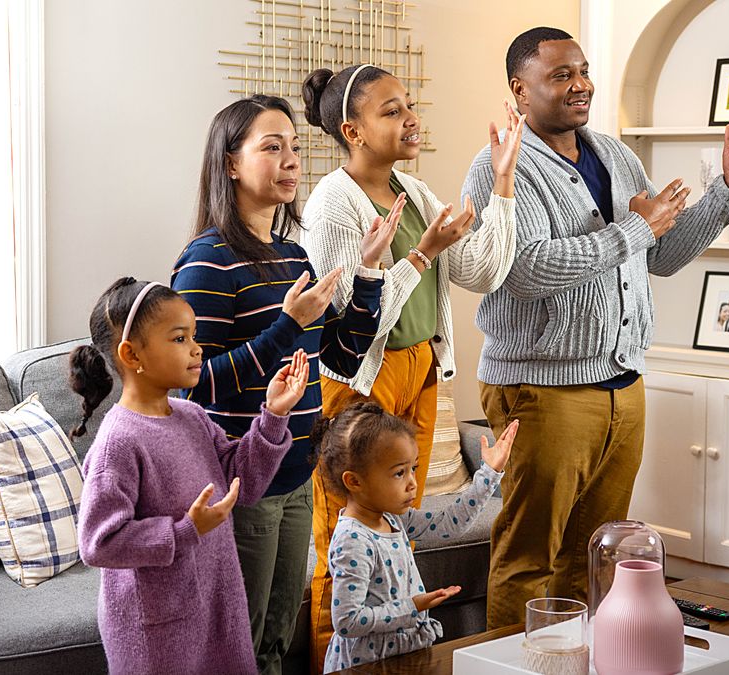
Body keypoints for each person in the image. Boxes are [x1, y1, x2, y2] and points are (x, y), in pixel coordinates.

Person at [463, 26, 729, 628]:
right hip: (543, 391)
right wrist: (636, 230)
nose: (581, 84)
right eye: (561, 75)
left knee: (595, 557)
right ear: (519, 89)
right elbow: (526, 269)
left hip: (622, 386)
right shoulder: (498, 166)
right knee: (531, 559)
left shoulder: (614, 153)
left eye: (582, 70)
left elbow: (658, 254)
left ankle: (582, 663)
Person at [299, 64, 526, 668]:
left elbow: (484, 272)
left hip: (419, 369)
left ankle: (400, 657)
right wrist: (423, 253)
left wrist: (503, 183)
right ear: (352, 129)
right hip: (360, 382)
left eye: (409, 105)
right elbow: (352, 321)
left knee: (401, 515)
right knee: (339, 538)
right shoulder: (331, 204)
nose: (410, 118)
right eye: (392, 110)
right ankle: (342, 663)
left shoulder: (414, 192)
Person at [170, 95, 396, 674]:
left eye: (294, 147)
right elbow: (191, 386)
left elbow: (341, 356)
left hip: (298, 476)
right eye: (272, 147)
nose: (291, 160)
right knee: (237, 647)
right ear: (229, 164)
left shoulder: (295, 256)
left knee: (276, 641)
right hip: (242, 484)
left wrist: (369, 273)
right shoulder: (207, 261)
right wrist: (286, 327)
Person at [71, 277, 310, 674]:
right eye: (179, 338)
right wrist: (185, 529)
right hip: (157, 633)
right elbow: (99, 542)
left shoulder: (192, 416)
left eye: (193, 336)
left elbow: (242, 485)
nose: (197, 349)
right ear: (132, 355)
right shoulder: (119, 441)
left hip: (217, 608)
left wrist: (274, 415)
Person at [313, 403, 519, 671]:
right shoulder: (353, 541)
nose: (413, 483)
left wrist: (488, 473)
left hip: (405, 655)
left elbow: (449, 524)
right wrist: (410, 607)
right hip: (369, 666)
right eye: (399, 473)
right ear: (354, 482)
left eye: (413, 469)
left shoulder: (392, 518)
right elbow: (348, 621)